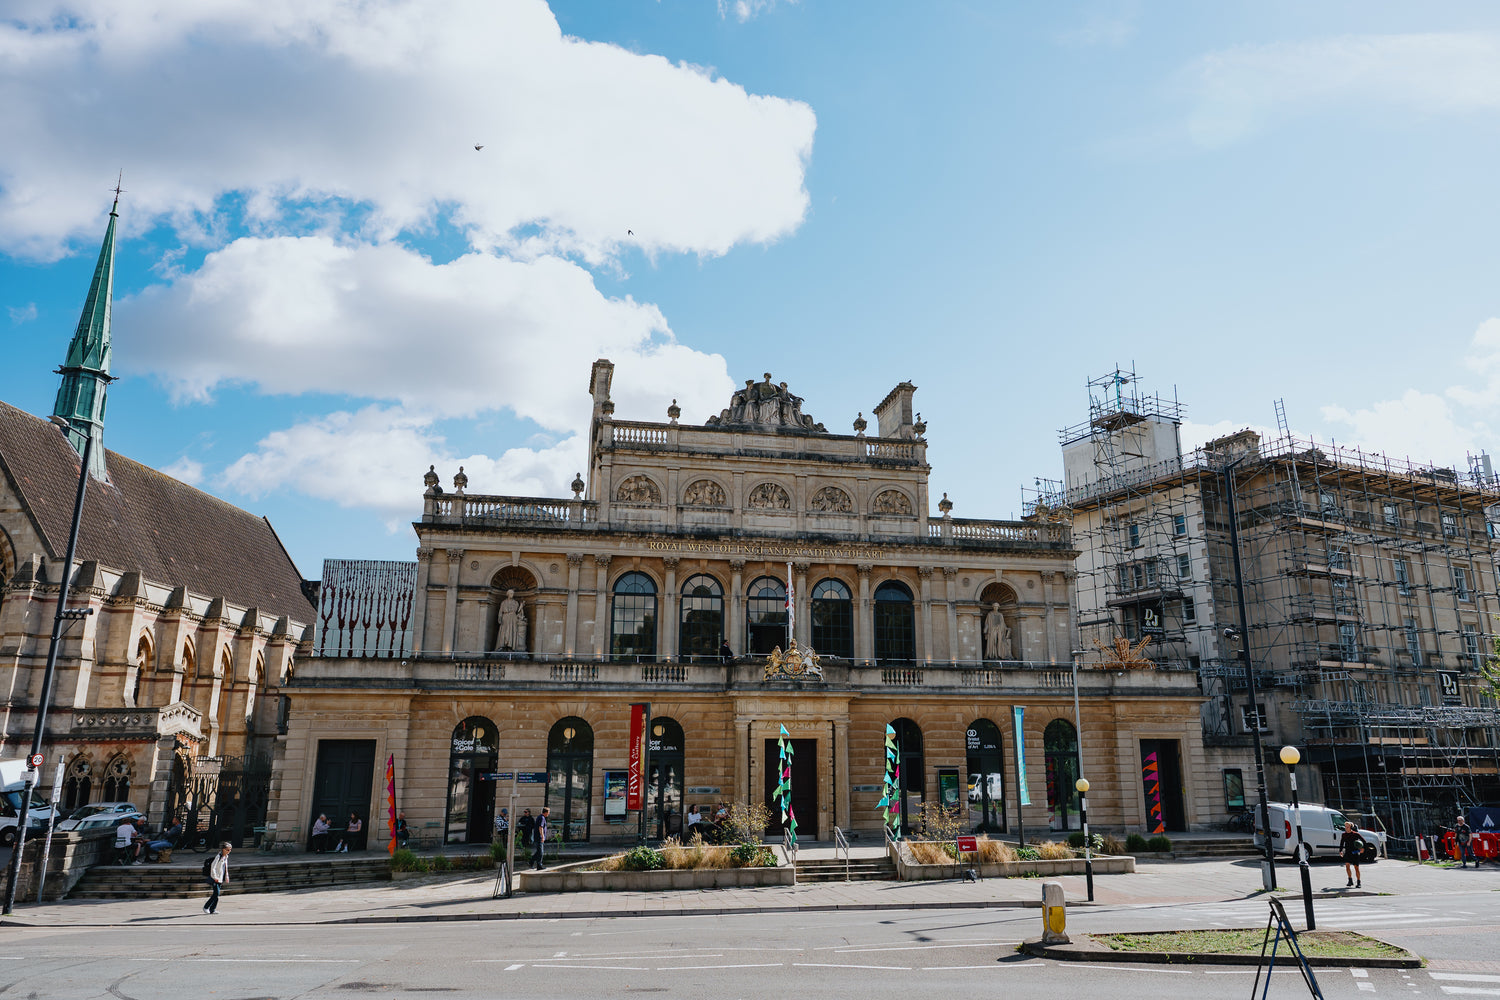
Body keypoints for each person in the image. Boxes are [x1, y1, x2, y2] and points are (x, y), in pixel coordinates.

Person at [203, 841, 231, 914]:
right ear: (223, 849)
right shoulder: (218, 857)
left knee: (216, 894)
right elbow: (213, 867)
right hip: (215, 878)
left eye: (230, 849)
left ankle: (212, 909)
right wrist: (215, 877)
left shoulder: (226, 857)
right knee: (216, 893)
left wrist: (226, 876)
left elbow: (225, 868)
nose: (229, 851)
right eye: (228, 850)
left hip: (220, 878)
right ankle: (206, 907)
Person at [1340, 821, 1365, 888]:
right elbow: (1342, 843)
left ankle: (1358, 882)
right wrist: (1341, 851)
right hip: (1347, 852)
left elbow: (1364, 841)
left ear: (1350, 827)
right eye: (1345, 826)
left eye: (1347, 827)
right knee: (1347, 866)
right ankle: (1350, 880)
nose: (1346, 828)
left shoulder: (1355, 834)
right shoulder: (1344, 834)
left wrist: (1362, 849)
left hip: (1355, 852)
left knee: (1356, 868)